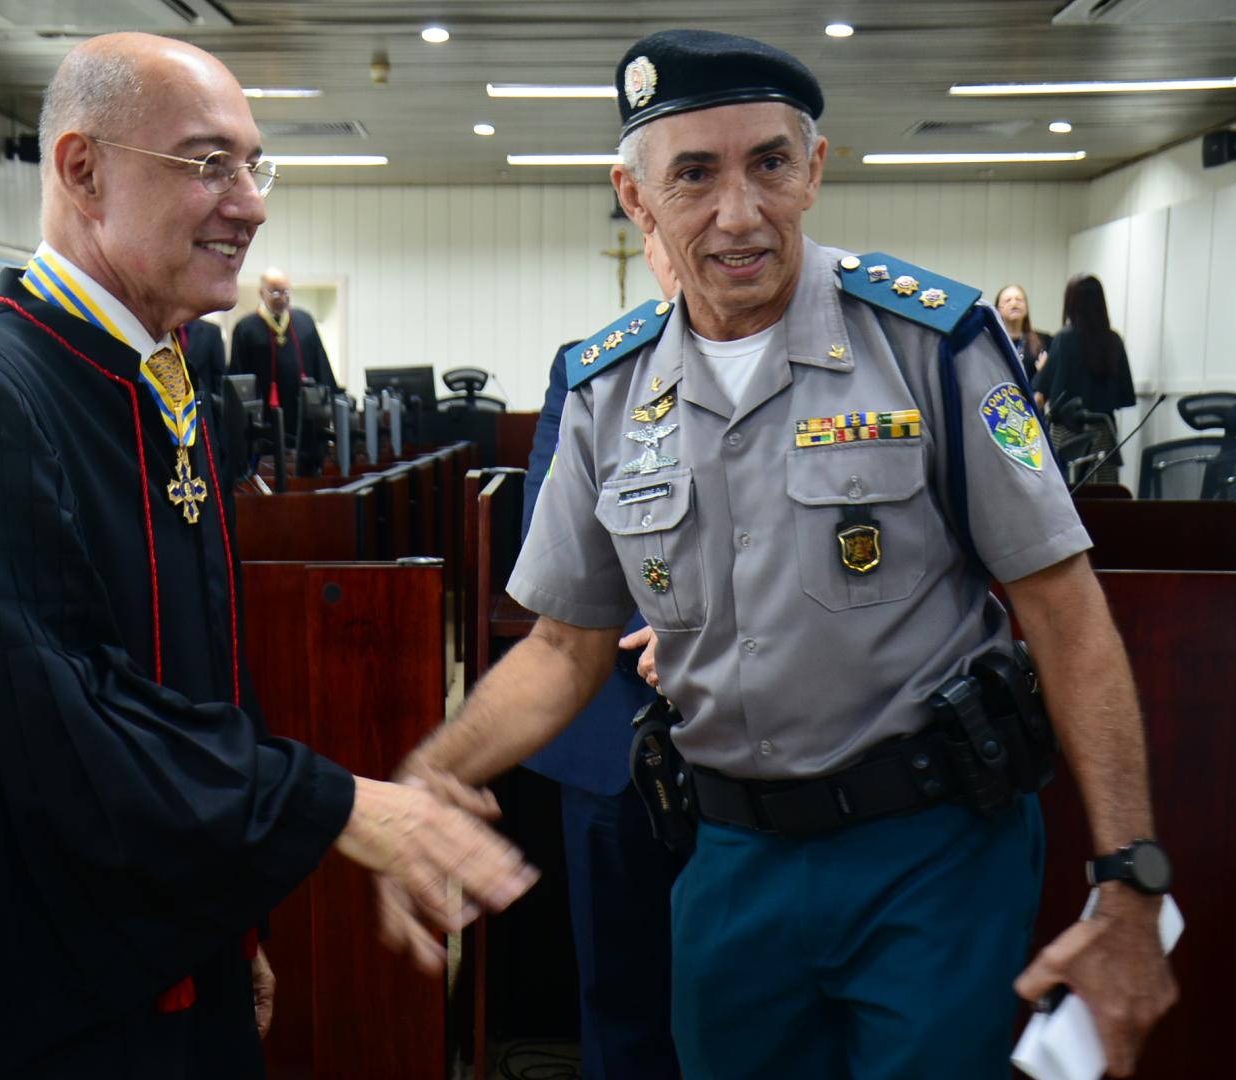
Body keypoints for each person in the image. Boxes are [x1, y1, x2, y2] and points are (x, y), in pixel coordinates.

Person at [382, 28, 1176, 1080]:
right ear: (636, 196)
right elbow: (566, 646)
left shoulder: (932, 342)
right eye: (695, 175)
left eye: (769, 162)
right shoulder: (607, 389)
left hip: (931, 857)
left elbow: (1066, 614)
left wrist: (1130, 880)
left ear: (814, 168)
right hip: (732, 863)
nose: (739, 211)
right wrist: (430, 773)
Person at [0, 32, 535, 1080]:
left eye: (253, 163)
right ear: (83, 171)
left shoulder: (171, 366)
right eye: (208, 163)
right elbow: (36, 726)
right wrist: (337, 804)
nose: (250, 200)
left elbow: (188, 676)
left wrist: (228, 925)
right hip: (19, 979)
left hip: (161, 931)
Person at [520, 228, 684, 1080]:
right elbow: (554, 550)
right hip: (616, 733)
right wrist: (658, 621)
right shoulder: (591, 368)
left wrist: (701, 626)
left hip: (772, 743)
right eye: (662, 226)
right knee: (621, 1008)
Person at [1032, 274, 1136, 486]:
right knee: (1102, 500)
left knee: (1069, 499)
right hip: (1104, 433)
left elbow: (1041, 392)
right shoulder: (1113, 340)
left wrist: (1043, 369)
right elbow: (1125, 396)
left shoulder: (1063, 339)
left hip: (1067, 435)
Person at [231, 266, 337, 421]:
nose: (282, 297)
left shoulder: (305, 322)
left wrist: (329, 403)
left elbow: (321, 367)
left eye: (286, 292)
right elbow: (239, 377)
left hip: (305, 414)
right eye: (275, 292)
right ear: (261, 293)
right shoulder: (246, 329)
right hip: (265, 416)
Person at [996, 283, 1052, 372]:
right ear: (998, 310)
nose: (1014, 304)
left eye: (1019, 300)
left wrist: (1044, 373)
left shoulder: (1044, 341)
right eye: (1007, 300)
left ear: (1026, 308)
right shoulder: (991, 342)